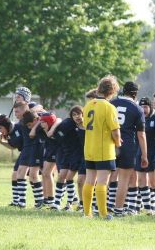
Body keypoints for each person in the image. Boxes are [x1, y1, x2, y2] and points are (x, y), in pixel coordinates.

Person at [82, 75, 122, 220]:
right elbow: (115, 131)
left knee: (89, 180)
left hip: (89, 148)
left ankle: (87, 213)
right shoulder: (109, 107)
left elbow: (85, 125)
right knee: (102, 181)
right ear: (112, 91)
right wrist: (118, 144)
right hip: (103, 149)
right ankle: (104, 214)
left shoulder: (87, 106)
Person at [109, 81, 147, 216]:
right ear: (135, 94)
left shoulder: (112, 103)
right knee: (124, 180)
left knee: (107, 177)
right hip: (127, 146)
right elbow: (141, 135)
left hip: (110, 144)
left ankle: (104, 207)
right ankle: (119, 210)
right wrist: (144, 155)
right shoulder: (137, 109)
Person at [47, 106, 84, 211]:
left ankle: (75, 203)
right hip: (68, 154)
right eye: (74, 115)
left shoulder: (86, 125)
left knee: (76, 180)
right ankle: (59, 203)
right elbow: (58, 120)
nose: (77, 116)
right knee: (63, 177)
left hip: (82, 155)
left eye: (79, 114)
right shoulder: (68, 124)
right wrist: (52, 130)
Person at [135, 97, 155, 215]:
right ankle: (148, 208)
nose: (143, 109)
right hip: (140, 153)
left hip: (153, 153)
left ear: (150, 108)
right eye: (141, 107)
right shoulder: (138, 120)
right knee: (141, 181)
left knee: (154, 183)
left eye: (146, 107)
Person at [0, 114, 24, 207]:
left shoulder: (19, 127)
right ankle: (16, 201)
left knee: (35, 176)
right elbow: (13, 147)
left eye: (0, 128)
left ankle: (44, 200)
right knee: (14, 175)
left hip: (33, 152)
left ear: (6, 125)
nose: (0, 131)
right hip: (23, 153)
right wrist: (3, 143)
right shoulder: (9, 134)